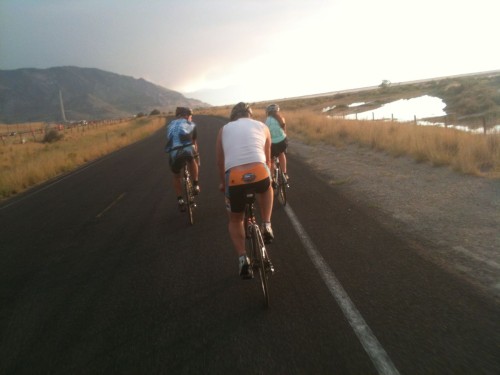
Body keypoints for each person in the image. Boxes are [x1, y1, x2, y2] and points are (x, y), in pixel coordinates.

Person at [215, 102, 274, 278]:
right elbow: (268, 159)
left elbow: (220, 163)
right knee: (266, 186)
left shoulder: (223, 130)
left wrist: (223, 184)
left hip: (235, 178)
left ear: (233, 117)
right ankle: (267, 224)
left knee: (235, 220)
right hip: (260, 172)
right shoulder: (262, 126)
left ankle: (243, 259)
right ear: (250, 115)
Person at [165, 107, 200, 212]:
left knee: (176, 176)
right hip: (186, 149)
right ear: (187, 115)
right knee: (192, 160)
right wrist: (197, 156)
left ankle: (180, 200)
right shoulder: (190, 124)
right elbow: (194, 142)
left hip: (173, 152)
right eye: (191, 116)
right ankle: (195, 185)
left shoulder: (170, 125)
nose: (191, 118)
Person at [265, 103, 289, 183]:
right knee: (281, 154)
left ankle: (272, 178)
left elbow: (266, 134)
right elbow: (284, 131)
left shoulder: (267, 120)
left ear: (267, 112)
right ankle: (284, 173)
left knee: (271, 160)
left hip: (273, 144)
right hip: (283, 142)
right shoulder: (281, 118)